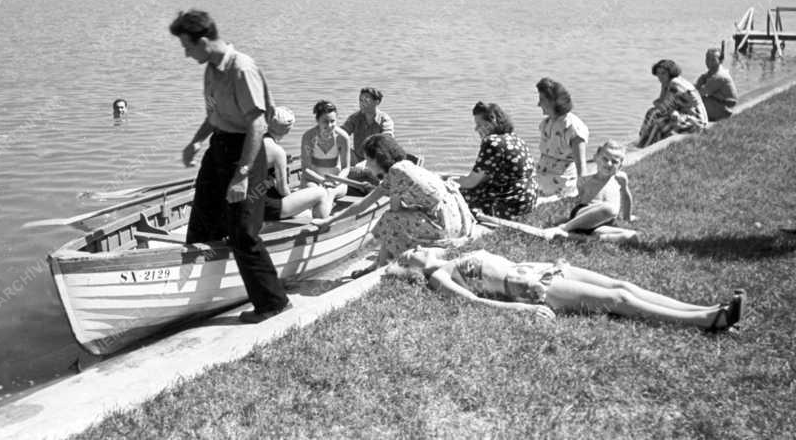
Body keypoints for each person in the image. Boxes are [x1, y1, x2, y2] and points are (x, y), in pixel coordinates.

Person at [169, 9, 290, 323]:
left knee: (243, 232)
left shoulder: (241, 68)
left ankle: (273, 302)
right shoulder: (210, 68)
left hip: (246, 152)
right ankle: (195, 291)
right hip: (219, 146)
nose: (185, 53)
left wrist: (242, 175)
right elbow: (213, 116)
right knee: (202, 220)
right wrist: (196, 141)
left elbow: (257, 126)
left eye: (188, 47)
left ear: (205, 40)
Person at [389, 245, 745, 332]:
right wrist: (523, 310)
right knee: (617, 300)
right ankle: (706, 320)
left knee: (624, 284)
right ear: (412, 270)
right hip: (528, 287)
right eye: (410, 255)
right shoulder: (439, 278)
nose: (417, 249)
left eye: (416, 247)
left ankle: (701, 307)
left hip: (542, 269)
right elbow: (472, 302)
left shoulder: (454, 252)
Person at [312, 134, 482, 276]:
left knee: (389, 219)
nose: (367, 165)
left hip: (443, 224)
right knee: (393, 219)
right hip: (453, 219)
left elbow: (379, 208)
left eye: (368, 160)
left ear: (378, 158)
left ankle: (379, 266)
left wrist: (329, 221)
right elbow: (369, 205)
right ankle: (378, 264)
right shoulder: (405, 166)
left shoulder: (395, 173)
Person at [451, 101, 538, 220]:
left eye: (479, 124)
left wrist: (447, 181)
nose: (476, 129)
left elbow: (471, 182)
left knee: (455, 193)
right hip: (527, 199)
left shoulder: (492, 142)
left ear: (492, 121)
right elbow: (484, 176)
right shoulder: (515, 138)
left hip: (509, 202)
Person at [544, 140, 634, 238]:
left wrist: (627, 217)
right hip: (583, 216)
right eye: (605, 159)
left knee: (632, 236)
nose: (609, 164)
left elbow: (625, 196)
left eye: (614, 161)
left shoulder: (620, 179)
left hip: (602, 223)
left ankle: (574, 236)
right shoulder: (587, 180)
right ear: (596, 158)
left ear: (620, 166)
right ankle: (564, 228)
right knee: (610, 209)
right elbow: (577, 199)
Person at [260, 106, 335, 221]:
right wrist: (301, 207)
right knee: (320, 192)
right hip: (269, 208)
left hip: (252, 202)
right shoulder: (278, 152)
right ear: (287, 129)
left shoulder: (255, 142)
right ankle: (322, 224)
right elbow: (283, 190)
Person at [535, 78, 589, 198]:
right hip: (541, 181)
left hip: (561, 186)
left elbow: (581, 165)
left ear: (554, 102)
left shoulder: (573, 127)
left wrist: (584, 194)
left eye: (542, 100)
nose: (538, 104)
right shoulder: (546, 123)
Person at [638, 59, 708, 147]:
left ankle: (642, 144)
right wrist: (663, 88)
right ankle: (645, 142)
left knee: (654, 115)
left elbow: (662, 107)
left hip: (696, 121)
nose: (660, 76)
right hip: (692, 118)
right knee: (656, 116)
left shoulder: (674, 84)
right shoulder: (673, 82)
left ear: (670, 73)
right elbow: (663, 103)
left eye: (663, 73)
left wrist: (657, 101)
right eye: (658, 73)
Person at [299, 100, 351, 201]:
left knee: (330, 192)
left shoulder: (343, 137)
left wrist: (336, 181)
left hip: (337, 180)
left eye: (333, 121)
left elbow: (346, 168)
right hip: (313, 180)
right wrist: (322, 181)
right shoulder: (308, 137)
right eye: (325, 122)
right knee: (317, 193)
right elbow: (305, 169)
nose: (330, 125)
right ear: (317, 120)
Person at [341, 87, 394, 184]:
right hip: (358, 157)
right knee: (340, 148)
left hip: (376, 160)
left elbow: (386, 140)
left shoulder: (385, 120)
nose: (362, 103)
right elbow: (342, 133)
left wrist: (368, 162)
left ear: (377, 102)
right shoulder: (355, 118)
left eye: (366, 100)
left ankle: (365, 174)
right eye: (360, 100)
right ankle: (361, 173)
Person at [694, 48, 738, 122]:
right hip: (721, 105)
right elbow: (697, 86)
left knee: (694, 101)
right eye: (707, 59)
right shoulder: (712, 72)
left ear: (720, 61)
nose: (709, 62)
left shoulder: (719, 76)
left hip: (725, 111)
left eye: (713, 60)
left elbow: (699, 93)